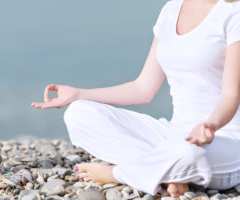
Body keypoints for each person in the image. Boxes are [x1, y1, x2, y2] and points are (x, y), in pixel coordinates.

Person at [31, 0, 240, 197]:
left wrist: (210, 125)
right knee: (79, 113)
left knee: (189, 153)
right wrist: (79, 94)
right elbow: (142, 88)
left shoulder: (233, 13)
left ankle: (116, 173)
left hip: (224, 138)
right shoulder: (171, 9)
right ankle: (168, 173)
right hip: (175, 133)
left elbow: (231, 96)